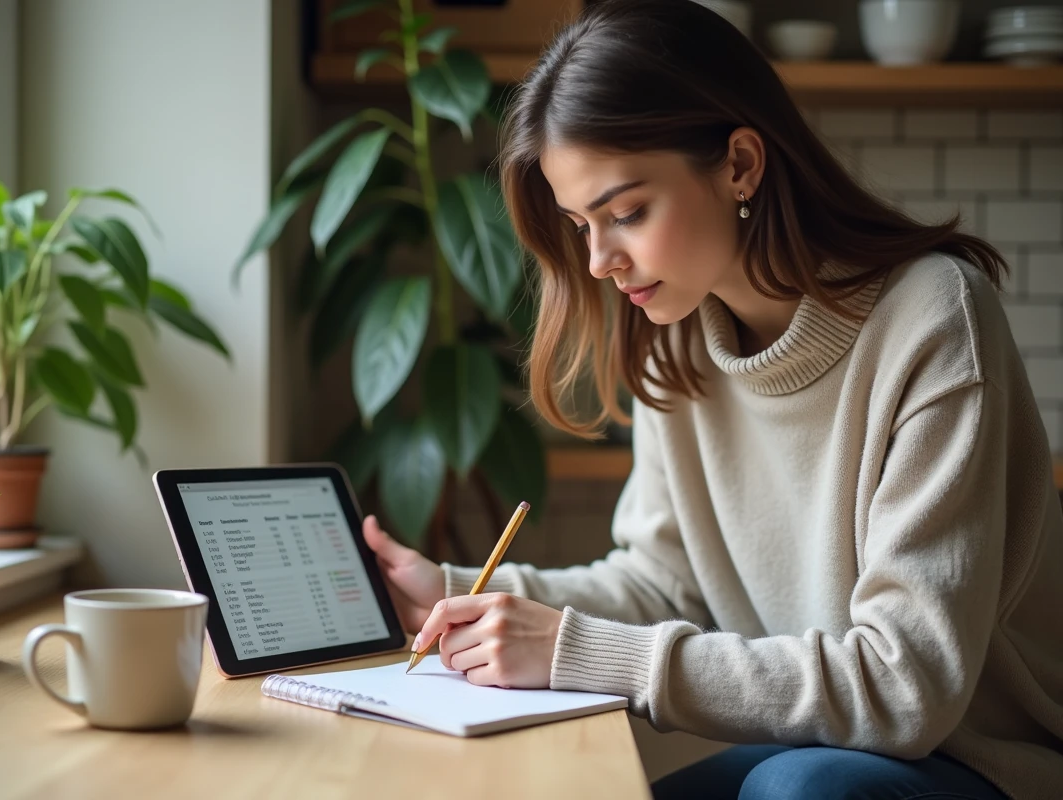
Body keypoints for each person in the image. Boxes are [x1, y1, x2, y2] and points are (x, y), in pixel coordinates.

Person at [360, 1, 1063, 797]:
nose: (598, 261)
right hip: (822, 754)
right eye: (580, 225)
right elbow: (664, 585)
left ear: (740, 165)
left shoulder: (934, 318)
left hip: (980, 765)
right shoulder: (677, 332)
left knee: (799, 790)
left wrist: (575, 651)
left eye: (625, 213)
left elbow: (908, 688)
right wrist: (460, 595)